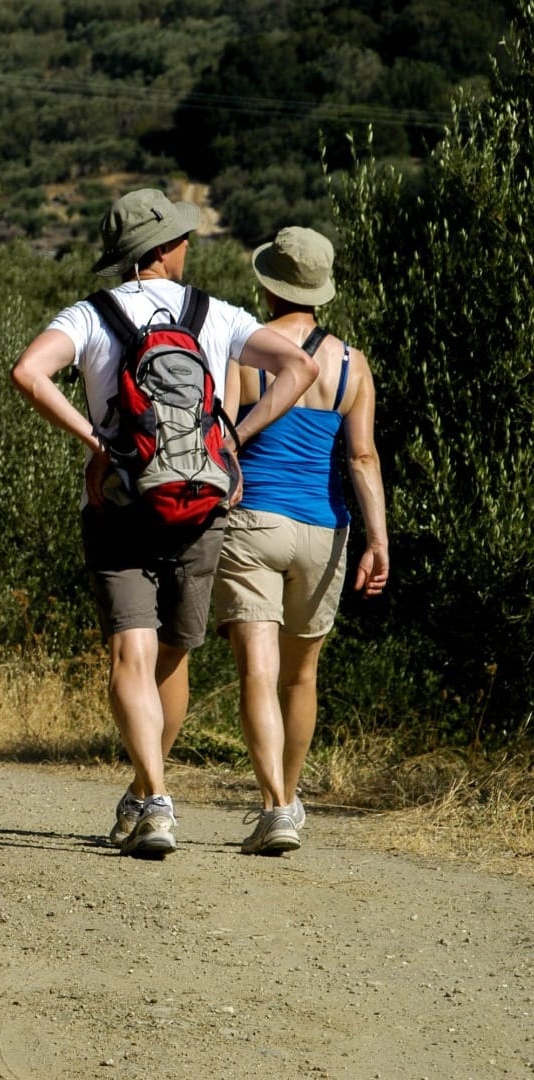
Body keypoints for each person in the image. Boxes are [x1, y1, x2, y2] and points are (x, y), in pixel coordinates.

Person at [9, 188, 318, 857]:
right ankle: (147, 791)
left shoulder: (89, 315)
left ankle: (152, 800)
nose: (188, 247)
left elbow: (28, 373)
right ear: (161, 249)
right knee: (170, 657)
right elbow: (299, 365)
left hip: (120, 503)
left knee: (132, 651)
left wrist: (95, 441)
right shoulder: (214, 314)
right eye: (182, 238)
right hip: (201, 508)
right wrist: (234, 436)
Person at [217, 226, 389, 854]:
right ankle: (285, 803)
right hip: (327, 532)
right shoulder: (352, 363)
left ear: (267, 284)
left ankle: (276, 807)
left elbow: (227, 435)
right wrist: (379, 543)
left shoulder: (247, 352)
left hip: (254, 521)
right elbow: (363, 458)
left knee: (257, 673)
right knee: (301, 676)